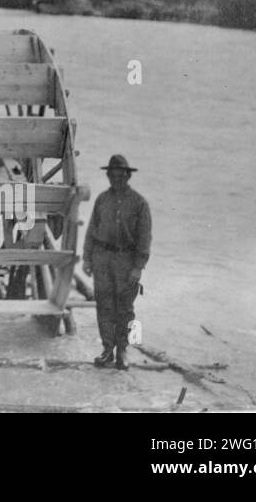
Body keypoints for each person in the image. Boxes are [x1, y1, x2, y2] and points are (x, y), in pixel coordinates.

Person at [82, 155, 152, 371]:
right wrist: (87, 258)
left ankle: (122, 350)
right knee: (104, 306)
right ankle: (107, 350)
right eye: (111, 175)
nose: (116, 179)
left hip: (126, 261)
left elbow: (144, 237)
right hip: (102, 258)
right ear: (108, 176)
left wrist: (138, 267)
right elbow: (92, 229)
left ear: (128, 176)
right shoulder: (102, 199)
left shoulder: (139, 203)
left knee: (125, 308)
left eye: (120, 175)